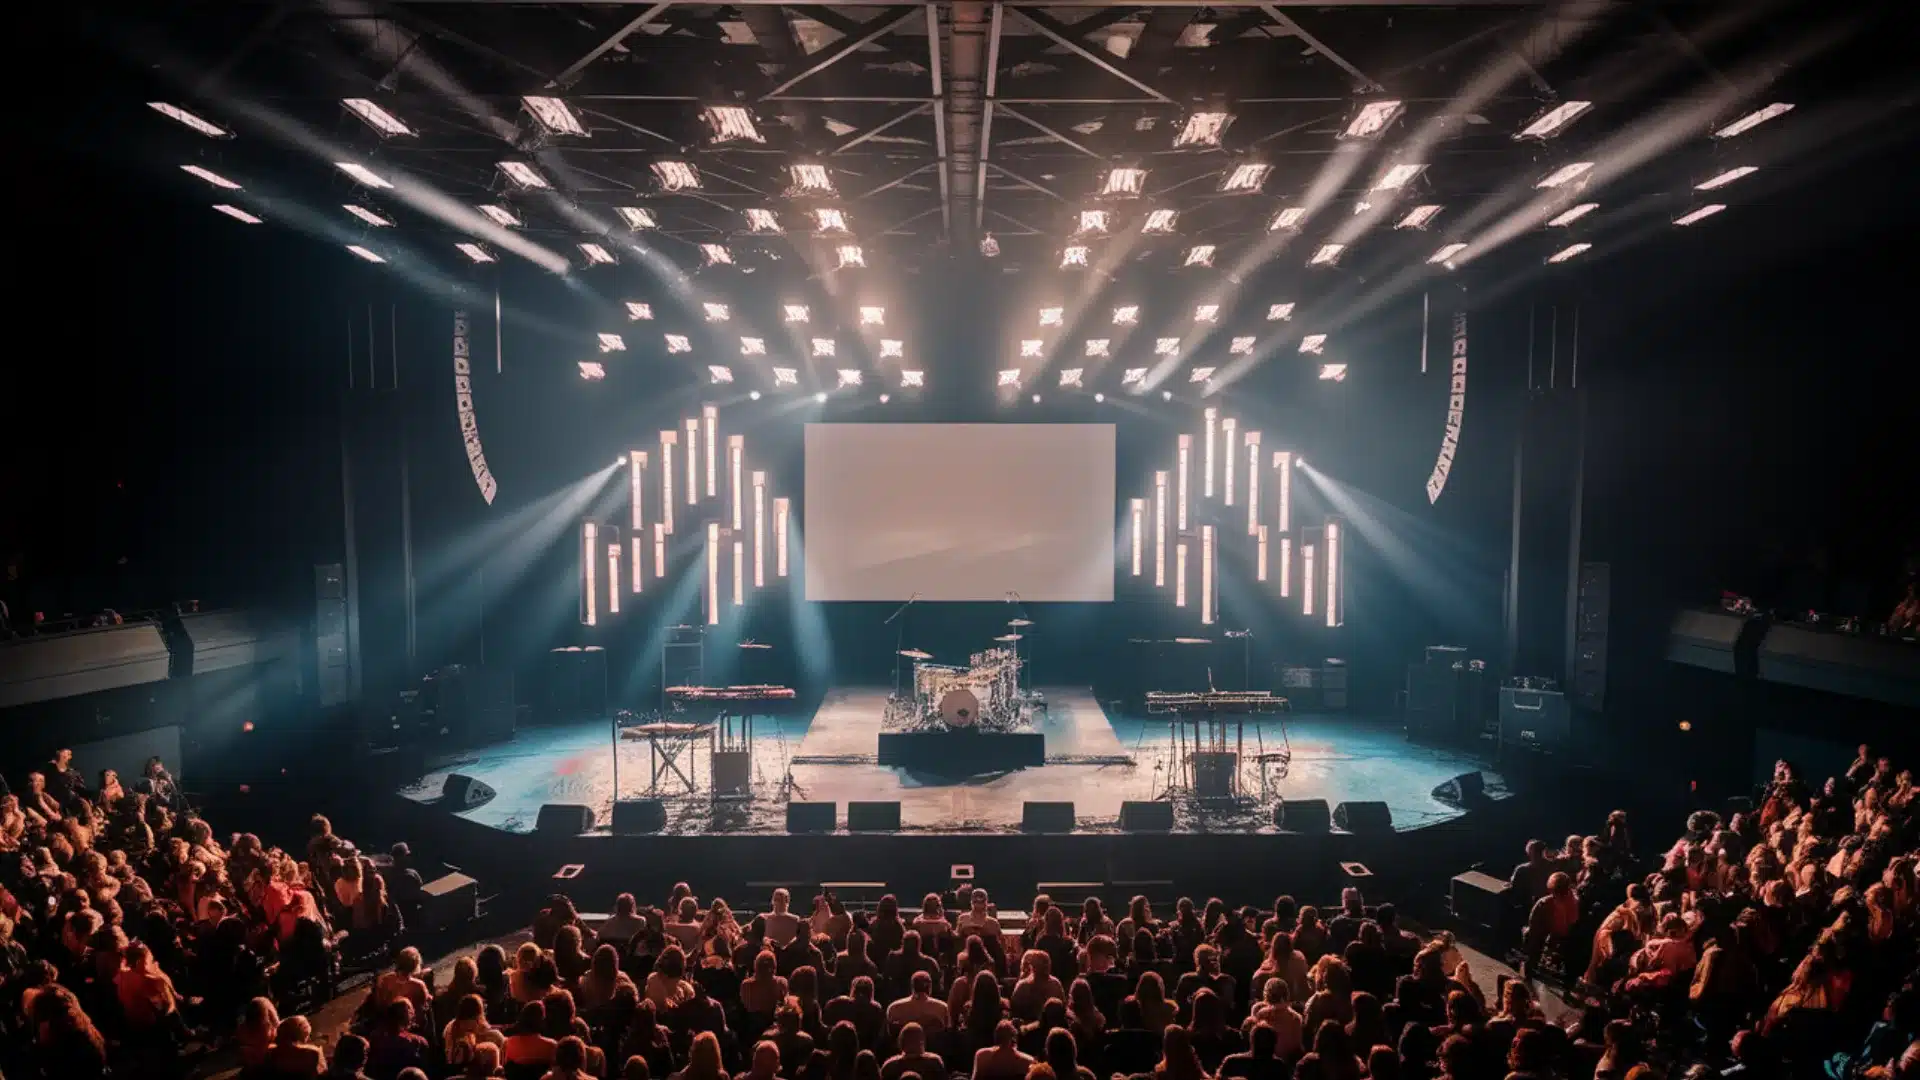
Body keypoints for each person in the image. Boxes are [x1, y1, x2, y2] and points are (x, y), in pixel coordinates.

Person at [889, 968, 951, 1035]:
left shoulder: (894, 1007)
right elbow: (948, 1031)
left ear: (912, 987)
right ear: (929, 987)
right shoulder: (942, 1007)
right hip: (934, 1044)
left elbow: (889, 1033)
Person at [1220, 1023, 1288, 1080]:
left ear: (1251, 1041)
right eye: (1261, 1041)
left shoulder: (1233, 1062)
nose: (1263, 1045)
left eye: (1266, 1041)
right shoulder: (1278, 1067)